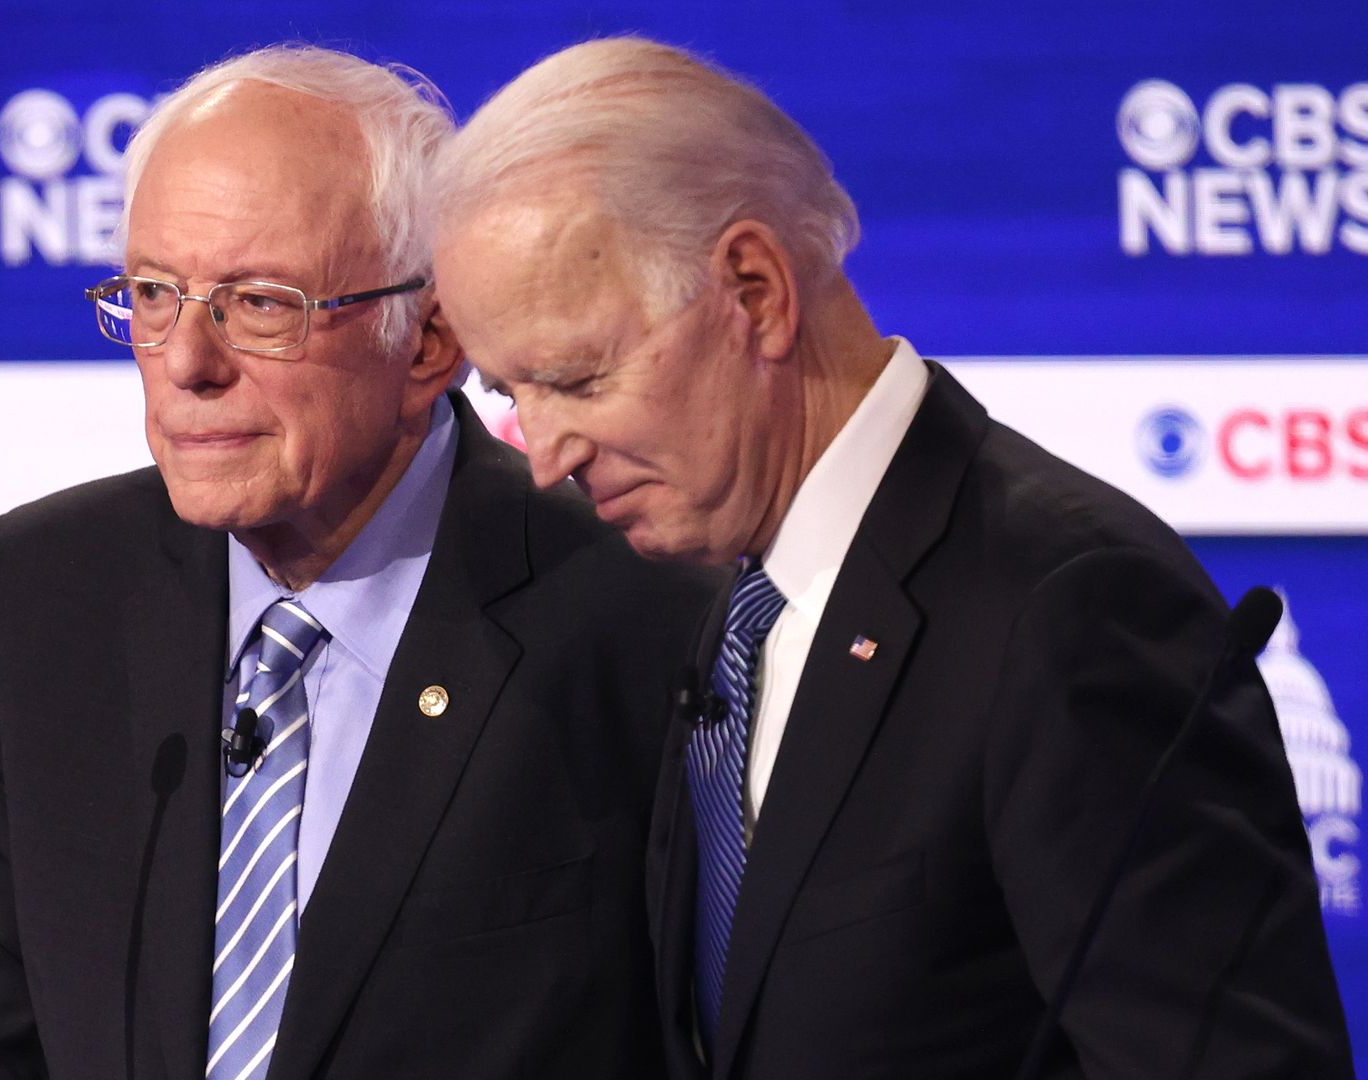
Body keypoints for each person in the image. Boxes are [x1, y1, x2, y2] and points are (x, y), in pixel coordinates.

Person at [430, 36, 1351, 1079]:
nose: (545, 457)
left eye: (579, 379)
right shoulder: (720, 605)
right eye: (512, 396)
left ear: (755, 289)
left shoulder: (1066, 607)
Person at [0, 45, 712, 1080]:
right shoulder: (49, 589)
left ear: (425, 338)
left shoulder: (642, 613)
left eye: (262, 304)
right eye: (153, 293)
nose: (187, 364)